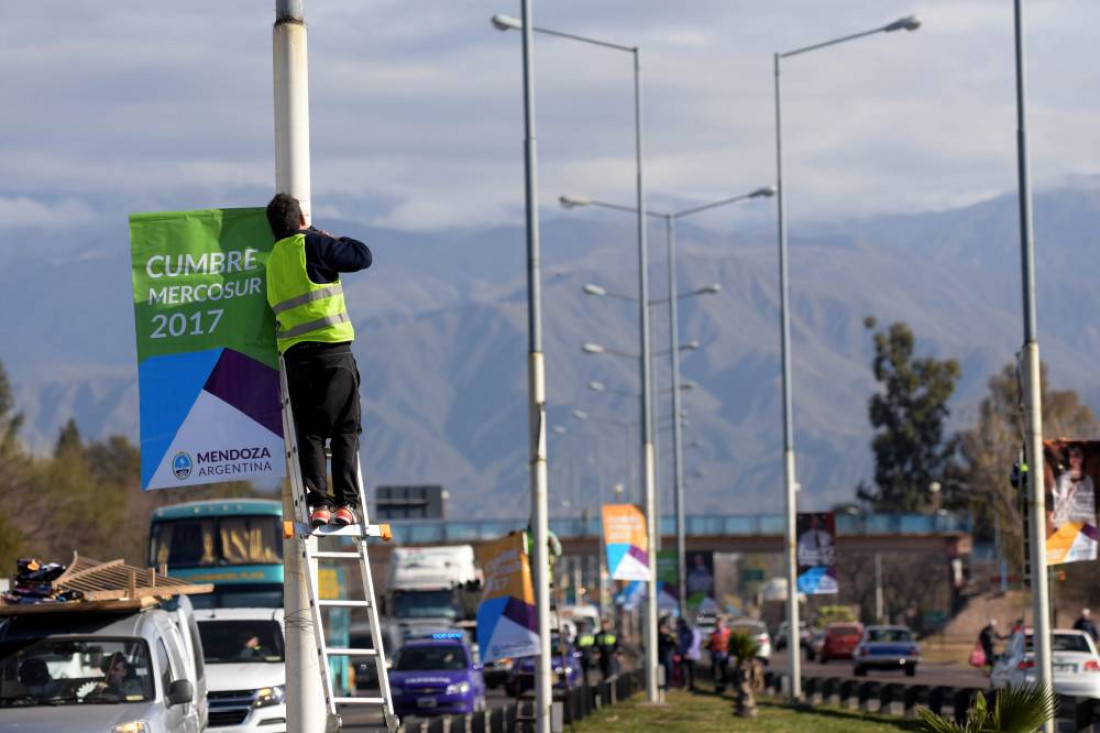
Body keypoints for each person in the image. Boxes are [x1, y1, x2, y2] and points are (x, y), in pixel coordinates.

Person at [265, 193, 373, 527]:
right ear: (301, 220)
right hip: (332, 349)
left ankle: (319, 505)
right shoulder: (311, 245)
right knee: (345, 429)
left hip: (296, 357)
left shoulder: (272, 261)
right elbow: (363, 256)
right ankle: (346, 504)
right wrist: (327, 237)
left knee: (309, 433)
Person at [1052, 445, 1096, 530]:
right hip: (1065, 528)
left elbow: (1089, 507)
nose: (1075, 459)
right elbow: (1058, 506)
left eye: (1078, 455)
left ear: (1083, 458)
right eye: (1072, 456)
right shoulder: (1061, 480)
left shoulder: (1088, 481)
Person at [677, 617, 701, 692]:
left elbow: (695, 642)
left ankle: (692, 686)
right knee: (684, 669)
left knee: (692, 671)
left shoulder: (694, 631)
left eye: (680, 624)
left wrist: (689, 652)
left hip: (692, 654)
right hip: (683, 653)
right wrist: (679, 652)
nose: (679, 626)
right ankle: (685, 684)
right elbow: (681, 643)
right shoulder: (682, 631)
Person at [708, 617, 731, 693]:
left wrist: (729, 654)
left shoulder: (728, 632)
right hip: (716, 655)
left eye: (720, 624)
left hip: (724, 655)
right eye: (717, 624)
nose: (718, 625)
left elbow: (730, 643)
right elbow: (710, 644)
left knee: (724, 672)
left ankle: (724, 686)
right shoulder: (713, 634)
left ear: (723, 624)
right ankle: (718, 687)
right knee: (716, 673)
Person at [657, 616, 677, 691]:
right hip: (660, 655)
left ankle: (667, 686)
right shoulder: (657, 636)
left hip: (667, 655)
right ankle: (663, 685)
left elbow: (674, 644)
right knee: (662, 671)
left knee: (669, 670)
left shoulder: (668, 636)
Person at [575, 620, 597, 687]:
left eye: (583, 626)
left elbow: (595, 645)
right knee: (583, 670)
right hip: (582, 655)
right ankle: (586, 683)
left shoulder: (589, 635)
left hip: (589, 655)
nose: (582, 627)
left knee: (589, 670)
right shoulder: (579, 636)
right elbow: (575, 646)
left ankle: (589, 683)